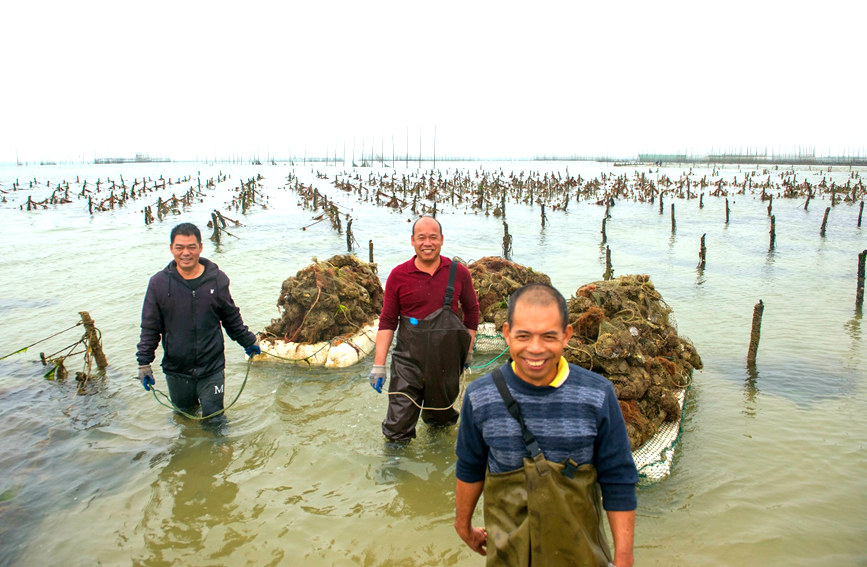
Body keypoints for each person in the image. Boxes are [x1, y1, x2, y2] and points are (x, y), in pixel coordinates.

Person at [454, 283, 638, 567]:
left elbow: (618, 480)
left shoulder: (598, 395)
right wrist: (463, 525)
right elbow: (470, 466)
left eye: (549, 337)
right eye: (523, 336)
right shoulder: (480, 397)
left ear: (567, 335)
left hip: (580, 556)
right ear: (506, 334)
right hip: (508, 555)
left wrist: (623, 559)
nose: (535, 349)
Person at [369, 216, 480, 442]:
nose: (427, 243)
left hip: (447, 364)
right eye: (421, 238)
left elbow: (472, 312)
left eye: (433, 237)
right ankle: (395, 471)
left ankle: (437, 470)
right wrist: (379, 365)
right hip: (407, 362)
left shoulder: (459, 273)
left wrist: (467, 351)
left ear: (441, 240)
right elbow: (388, 321)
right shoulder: (398, 275)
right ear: (412, 241)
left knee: (440, 423)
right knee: (397, 428)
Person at [136, 222, 260, 420]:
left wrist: (249, 341)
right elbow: (150, 328)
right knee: (184, 419)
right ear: (171, 249)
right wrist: (144, 363)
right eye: (180, 247)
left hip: (212, 368)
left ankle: (219, 450)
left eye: (191, 247)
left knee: (215, 421)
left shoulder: (217, 279)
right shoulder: (158, 284)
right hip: (177, 370)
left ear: (200, 248)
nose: (186, 253)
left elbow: (231, 318)